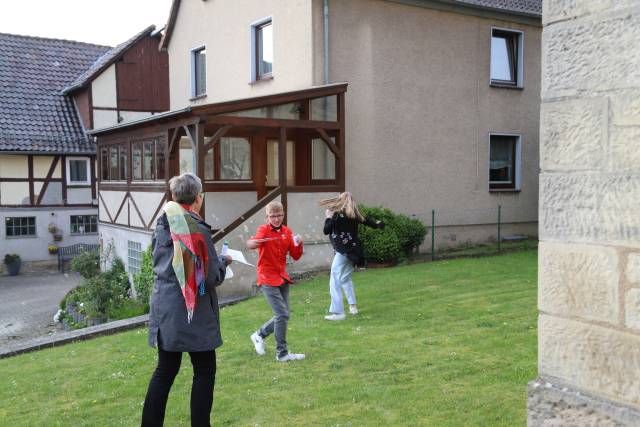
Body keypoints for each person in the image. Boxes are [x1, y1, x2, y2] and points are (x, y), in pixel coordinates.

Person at [141, 173, 232, 427]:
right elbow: (212, 276)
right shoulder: (196, 228)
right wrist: (224, 261)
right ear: (198, 198)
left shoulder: (162, 223)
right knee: (204, 370)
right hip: (194, 311)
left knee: (165, 370)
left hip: (165, 308)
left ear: (174, 196)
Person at [246, 201, 305, 362]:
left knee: (284, 315)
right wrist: (254, 243)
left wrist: (299, 243)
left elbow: (296, 255)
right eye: (273, 216)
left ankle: (259, 335)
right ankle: (282, 353)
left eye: (279, 215)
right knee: (282, 314)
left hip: (282, 277)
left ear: (283, 215)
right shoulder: (263, 230)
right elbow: (251, 243)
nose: (276, 219)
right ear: (267, 217)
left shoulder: (287, 232)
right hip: (267, 277)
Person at [319, 192, 384, 321]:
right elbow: (368, 221)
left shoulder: (337, 215)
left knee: (334, 279)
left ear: (340, 201)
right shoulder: (354, 215)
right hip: (354, 252)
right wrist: (378, 224)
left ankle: (338, 313)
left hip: (343, 252)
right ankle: (353, 307)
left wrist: (328, 217)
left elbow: (326, 230)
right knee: (345, 278)